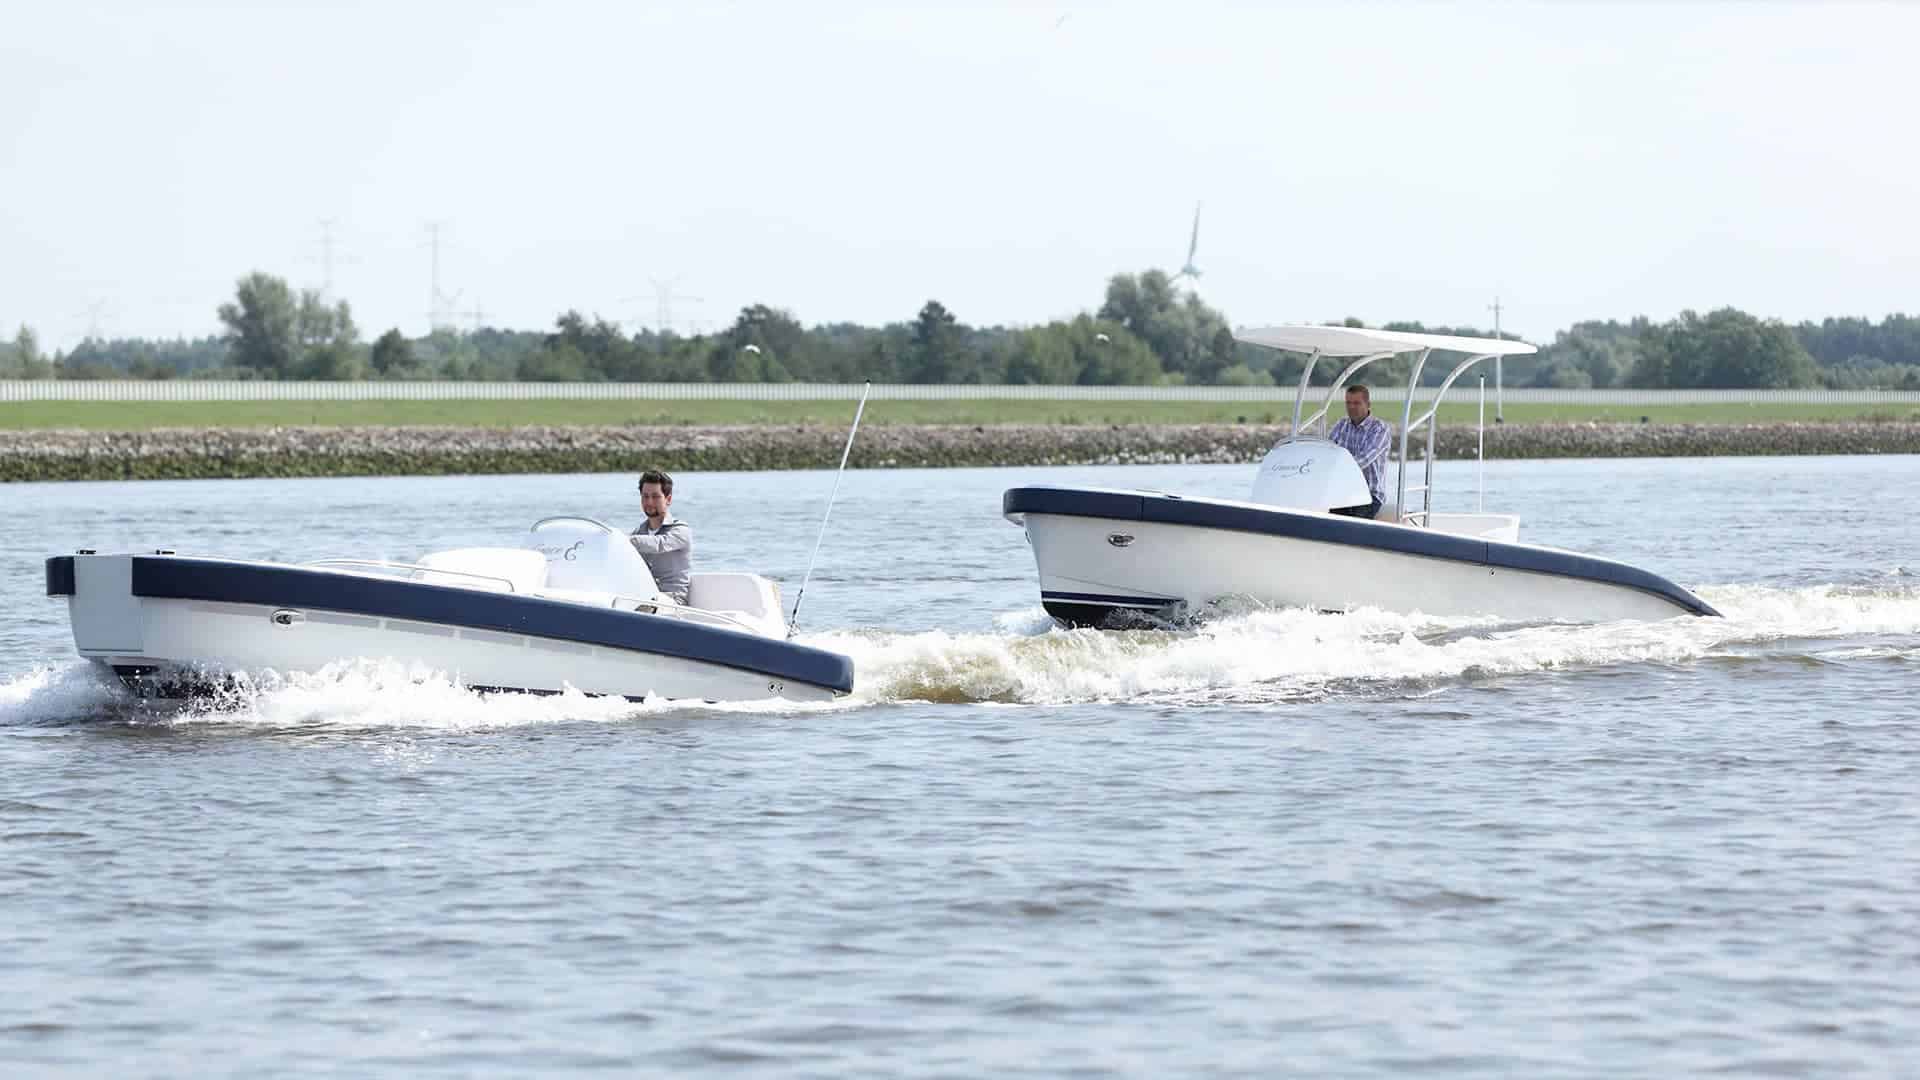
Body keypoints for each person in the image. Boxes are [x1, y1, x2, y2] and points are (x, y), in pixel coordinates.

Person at [1327, 385, 1391, 520]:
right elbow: (1327, 452)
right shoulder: (1341, 425)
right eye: (1348, 403)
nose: (1351, 407)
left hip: (1369, 496)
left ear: (1368, 404)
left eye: (1356, 403)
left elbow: (1364, 459)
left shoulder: (1380, 429)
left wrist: (1335, 467)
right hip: (1343, 493)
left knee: (1350, 525)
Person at [628, 469, 692, 604]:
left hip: (674, 601)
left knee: (645, 605)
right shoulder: (638, 532)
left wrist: (623, 540)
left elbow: (659, 544)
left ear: (668, 499)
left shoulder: (680, 530)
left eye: (655, 496)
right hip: (644, 598)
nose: (649, 502)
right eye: (645, 496)